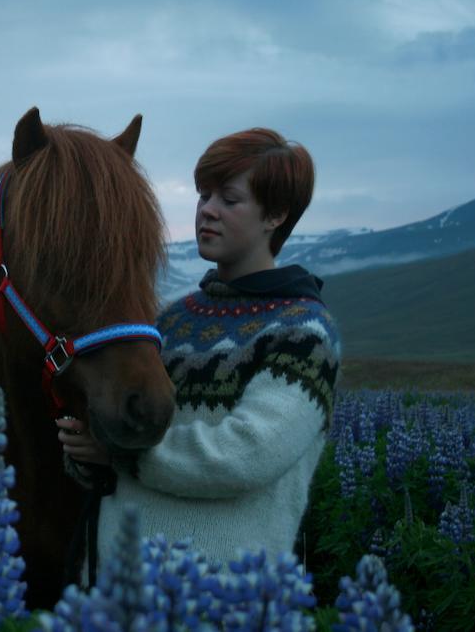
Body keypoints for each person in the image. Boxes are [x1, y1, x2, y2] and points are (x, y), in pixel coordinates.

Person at [57, 127, 341, 571]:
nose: (207, 211)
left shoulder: (304, 331)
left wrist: (120, 453)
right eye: (202, 196)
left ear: (276, 215)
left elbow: (247, 455)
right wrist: (88, 452)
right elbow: (121, 451)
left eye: (229, 199)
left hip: (222, 598)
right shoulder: (169, 320)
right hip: (118, 590)